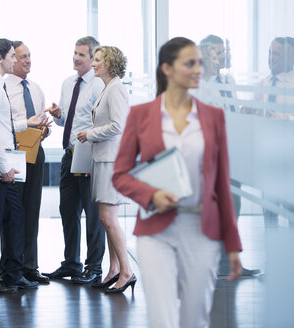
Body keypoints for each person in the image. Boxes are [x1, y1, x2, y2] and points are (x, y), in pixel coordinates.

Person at [112, 37, 243, 327]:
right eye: (190, 63)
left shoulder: (214, 117)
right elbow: (120, 175)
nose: (199, 69)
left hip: (202, 231)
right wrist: (151, 195)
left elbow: (221, 184)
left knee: (195, 318)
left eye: (199, 62)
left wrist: (232, 244)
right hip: (155, 230)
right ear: (167, 69)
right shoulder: (141, 115)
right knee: (163, 317)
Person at [0, 37, 47, 294]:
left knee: (15, 215)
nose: (16, 60)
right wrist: (4, 167)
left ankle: (13, 274)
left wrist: (29, 123)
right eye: (13, 56)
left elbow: (3, 125)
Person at [44, 36, 106, 284]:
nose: (75, 58)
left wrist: (93, 158)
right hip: (68, 154)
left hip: (88, 155)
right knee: (68, 210)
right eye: (75, 53)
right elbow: (65, 122)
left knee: (92, 214)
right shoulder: (68, 83)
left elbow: (99, 124)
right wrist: (59, 116)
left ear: (92, 59)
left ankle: (94, 268)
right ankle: (71, 263)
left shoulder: (99, 85)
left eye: (81, 55)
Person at [199, 35, 261, 277]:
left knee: (234, 207)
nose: (222, 57)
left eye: (223, 52)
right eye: (216, 53)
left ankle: (230, 263)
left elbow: (233, 113)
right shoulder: (199, 86)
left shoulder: (228, 80)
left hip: (231, 156)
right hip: (210, 158)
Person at [76, 46, 133, 293]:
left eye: (98, 60)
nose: (94, 63)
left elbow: (118, 126)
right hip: (103, 160)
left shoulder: (116, 89)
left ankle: (127, 272)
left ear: (109, 63)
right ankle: (114, 269)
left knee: (108, 219)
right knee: (107, 218)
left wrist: (90, 134)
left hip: (112, 162)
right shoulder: (108, 88)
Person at [0, 41, 50, 284]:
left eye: (30, 56)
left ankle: (29, 266)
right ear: (11, 60)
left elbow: (39, 123)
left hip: (35, 153)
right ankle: (10, 267)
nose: (28, 60)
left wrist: (44, 130)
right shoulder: (3, 88)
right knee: (13, 212)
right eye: (22, 57)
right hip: (13, 154)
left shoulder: (36, 88)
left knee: (32, 210)